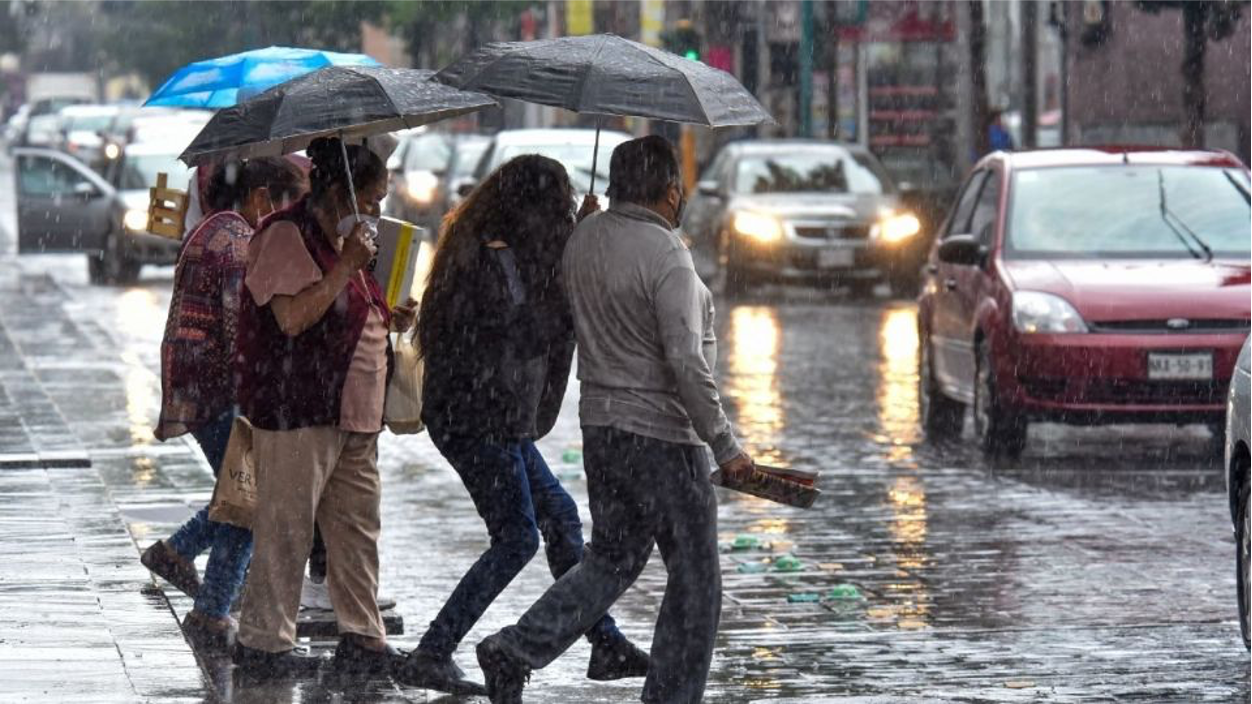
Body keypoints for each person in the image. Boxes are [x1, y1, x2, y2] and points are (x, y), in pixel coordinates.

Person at [474, 136, 755, 704]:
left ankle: (516, 648)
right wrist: (724, 444)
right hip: (663, 439)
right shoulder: (667, 254)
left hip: (603, 432)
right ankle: (671, 697)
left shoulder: (583, 242)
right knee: (697, 581)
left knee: (610, 561)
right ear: (671, 190)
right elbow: (685, 361)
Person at [398, 155, 649, 695]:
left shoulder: (506, 250)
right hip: (475, 419)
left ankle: (603, 642)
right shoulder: (491, 259)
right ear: (531, 207)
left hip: (493, 418)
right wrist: (569, 266)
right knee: (516, 538)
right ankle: (434, 650)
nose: (561, 213)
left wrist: (577, 239)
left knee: (559, 517)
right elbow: (524, 331)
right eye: (557, 204)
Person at [232, 136, 417, 678]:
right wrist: (347, 266)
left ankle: (363, 637)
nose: (379, 209)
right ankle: (264, 643)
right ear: (342, 193)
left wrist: (389, 317)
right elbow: (292, 318)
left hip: (356, 414)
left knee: (357, 532)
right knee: (286, 529)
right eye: (373, 198)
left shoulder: (349, 242)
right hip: (299, 408)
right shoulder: (287, 235)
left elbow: (350, 308)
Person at [142, 156, 308, 650]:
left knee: (241, 492)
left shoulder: (212, 228)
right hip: (220, 391)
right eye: (284, 206)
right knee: (249, 499)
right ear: (260, 199)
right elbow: (242, 332)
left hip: (198, 386)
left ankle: (178, 553)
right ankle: (211, 608)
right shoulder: (237, 244)